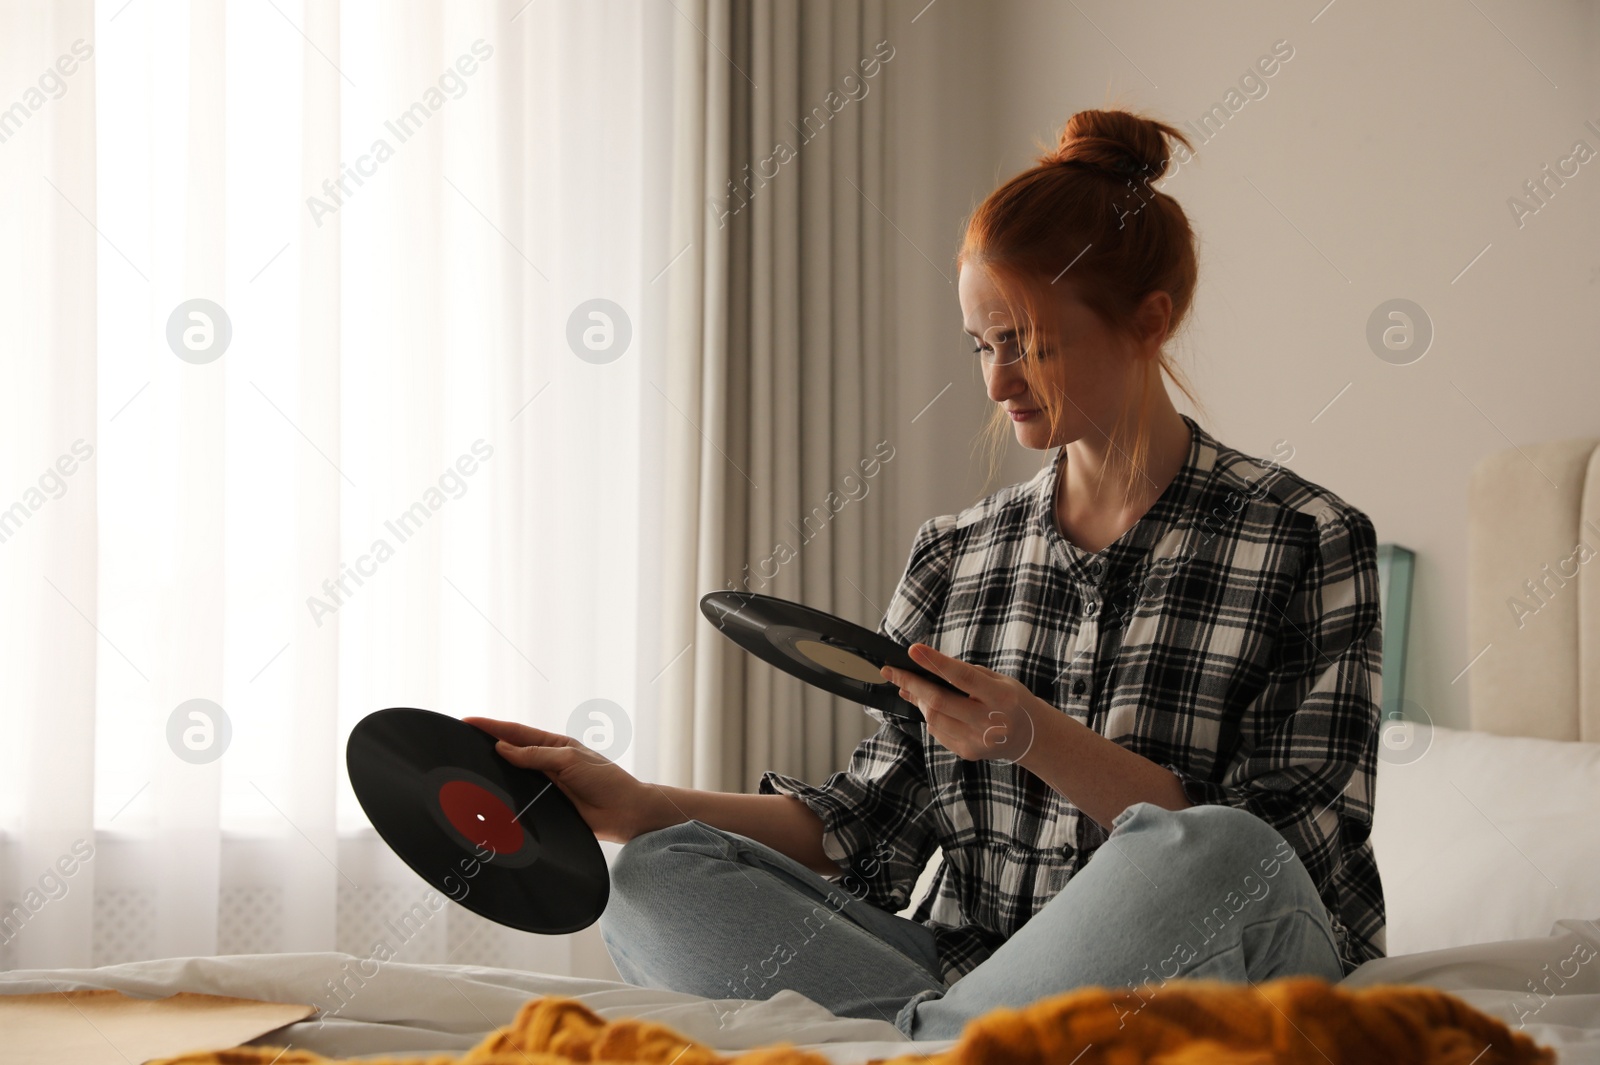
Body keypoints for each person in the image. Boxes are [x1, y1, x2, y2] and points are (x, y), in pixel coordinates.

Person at [467, 107, 1386, 1043]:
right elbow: (871, 823)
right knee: (658, 875)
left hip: (1229, 961)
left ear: (1149, 321)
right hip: (974, 969)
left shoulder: (1304, 538)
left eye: (1027, 340)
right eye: (982, 345)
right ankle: (961, 1042)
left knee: (1224, 849)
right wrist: (642, 803)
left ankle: (933, 1042)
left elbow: (1287, 855)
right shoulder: (956, 555)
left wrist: (1033, 734)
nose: (996, 381)